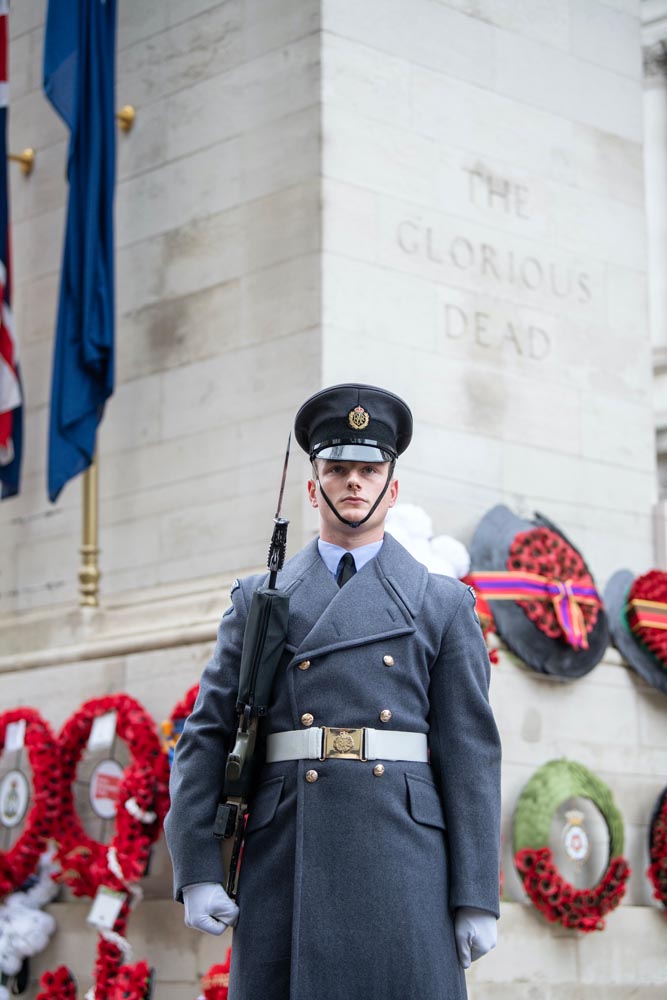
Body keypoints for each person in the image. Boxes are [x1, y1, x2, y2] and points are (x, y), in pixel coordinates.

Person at [165, 383, 502, 1000]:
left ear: (392, 488)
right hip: (287, 851)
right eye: (338, 469)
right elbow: (207, 735)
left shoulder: (442, 603)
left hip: (405, 862)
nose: (354, 483)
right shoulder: (258, 600)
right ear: (313, 485)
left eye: (369, 470)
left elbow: (470, 756)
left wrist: (477, 892)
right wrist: (198, 869)